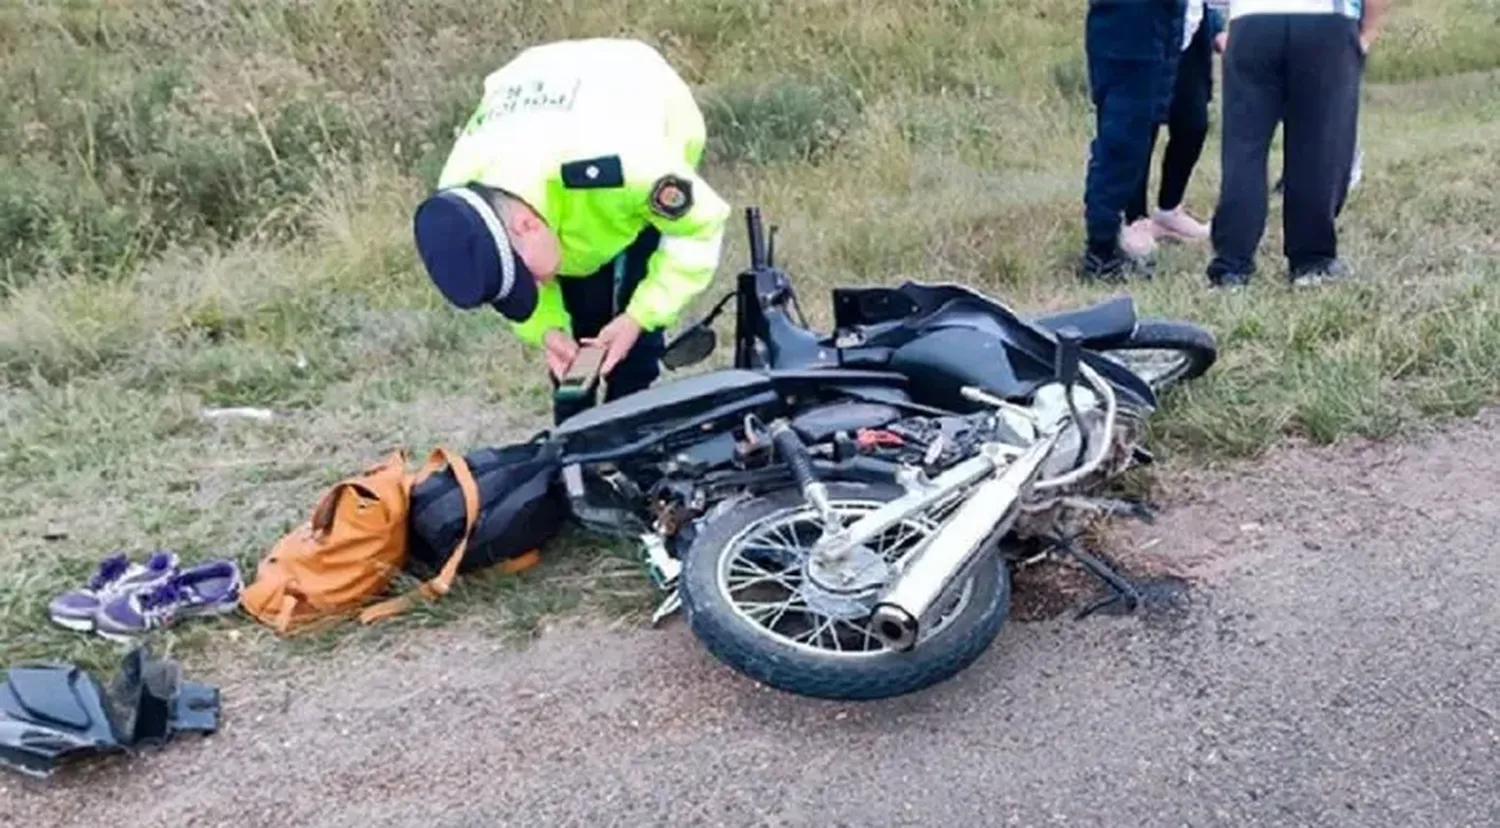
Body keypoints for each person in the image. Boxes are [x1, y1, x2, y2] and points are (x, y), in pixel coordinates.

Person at [411, 38, 732, 423]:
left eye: (528, 279)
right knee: (580, 325)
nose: (538, 284)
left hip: (631, 91)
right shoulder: (463, 201)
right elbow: (508, 278)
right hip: (537, 94)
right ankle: (577, 426)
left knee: (631, 325)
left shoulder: (630, 168)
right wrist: (548, 330)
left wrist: (638, 318)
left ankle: (631, 415)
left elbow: (699, 226)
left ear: (527, 224)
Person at [1204, 0, 1387, 288]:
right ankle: (1311, 260)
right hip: (1325, 19)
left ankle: (1232, 264)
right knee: (1318, 147)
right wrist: (1367, 31)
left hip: (1252, 19)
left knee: (1244, 148)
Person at [1079, 0, 1188, 282]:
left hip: (1134, 30)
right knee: (1122, 146)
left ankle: (1105, 241)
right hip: (1134, 35)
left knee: (1124, 143)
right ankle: (1100, 253)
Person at [1120, 0, 1227, 257]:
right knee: (1143, 124)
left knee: (1194, 124)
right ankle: (1134, 220)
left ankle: (1168, 210)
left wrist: (1216, 28)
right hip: (1146, 29)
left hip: (1190, 31)